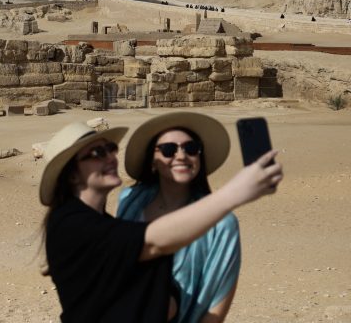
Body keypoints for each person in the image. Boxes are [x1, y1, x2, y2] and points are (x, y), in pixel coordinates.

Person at [41, 121, 283, 322]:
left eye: (111, 148)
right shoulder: (79, 220)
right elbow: (152, 242)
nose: (111, 158)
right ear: (71, 174)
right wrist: (236, 192)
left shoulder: (100, 221)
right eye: (97, 153)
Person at [117, 112, 240, 322]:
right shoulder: (130, 201)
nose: (181, 156)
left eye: (191, 148)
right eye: (168, 150)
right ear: (153, 161)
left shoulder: (222, 224)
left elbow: (216, 308)